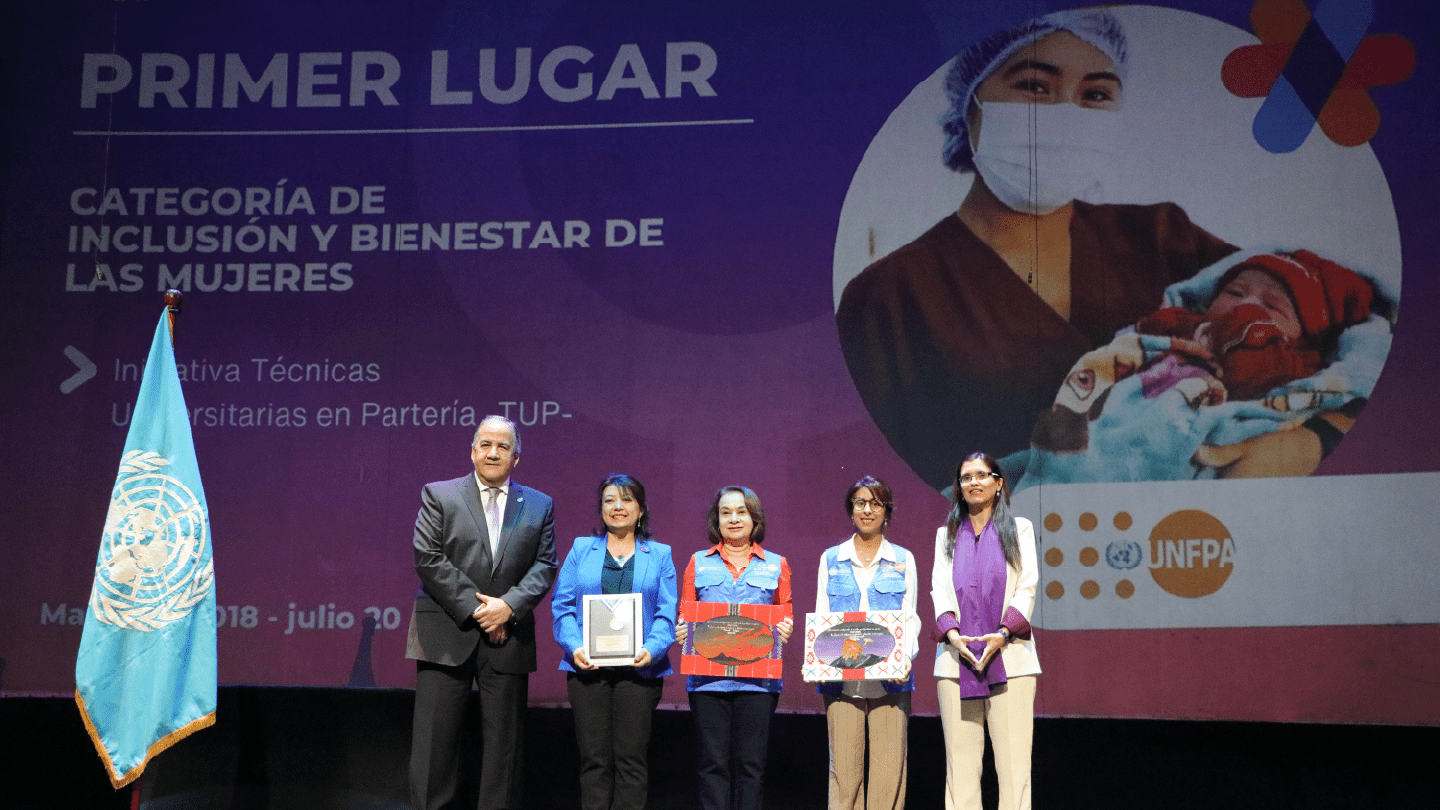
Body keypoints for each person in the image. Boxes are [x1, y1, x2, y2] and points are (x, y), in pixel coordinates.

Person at [836, 9, 1242, 490]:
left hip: (1181, 539)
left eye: (1095, 94)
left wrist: (1299, 441)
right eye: (1034, 86)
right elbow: (876, 476)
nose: (1064, 115)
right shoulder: (890, 299)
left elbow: (1317, 337)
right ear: (971, 105)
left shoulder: (1163, 240)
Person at [1019, 248, 1382, 487]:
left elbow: (1261, 381)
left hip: (1196, 440)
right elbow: (1137, 340)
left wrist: (1247, 331)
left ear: (1305, 335)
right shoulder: (1186, 324)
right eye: (1236, 294)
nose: (1249, 306)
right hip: (1121, 417)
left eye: (1273, 307)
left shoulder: (1301, 361)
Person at [405, 416, 558, 810]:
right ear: (472, 451)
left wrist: (507, 607)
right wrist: (482, 611)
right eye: (485, 444)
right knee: (434, 749)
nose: (493, 452)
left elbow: (545, 565)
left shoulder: (539, 505)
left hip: (510, 636)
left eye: (503, 447)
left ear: (516, 457)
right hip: (445, 633)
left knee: (503, 753)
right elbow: (427, 557)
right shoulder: (440, 494)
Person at [551, 473, 678, 810]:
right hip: (587, 669)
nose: (617, 507)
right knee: (594, 762)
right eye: (609, 500)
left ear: (640, 509)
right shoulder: (581, 549)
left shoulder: (660, 554)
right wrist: (574, 646)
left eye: (626, 500)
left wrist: (652, 649)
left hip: (639, 673)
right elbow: (562, 606)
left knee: (631, 762)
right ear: (601, 509)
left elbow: (667, 613)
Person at [676, 486, 795, 810]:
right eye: (725, 512)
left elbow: (785, 616)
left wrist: (784, 629)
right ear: (717, 519)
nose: (733, 518)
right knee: (712, 764)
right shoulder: (697, 562)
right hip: (707, 681)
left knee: (751, 766)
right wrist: (683, 630)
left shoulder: (776, 564)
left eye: (741, 511)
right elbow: (686, 614)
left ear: (754, 518)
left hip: (758, 683)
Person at [932, 454, 1039, 810]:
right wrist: (952, 635)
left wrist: (1005, 633)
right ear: (959, 488)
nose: (973, 482)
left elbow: (1028, 586)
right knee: (960, 769)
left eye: (982, 475)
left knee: (1013, 769)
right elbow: (939, 590)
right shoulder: (945, 535)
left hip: (1011, 659)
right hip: (955, 660)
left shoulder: (1019, 528)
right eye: (965, 478)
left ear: (998, 483)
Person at [814, 476, 921, 810]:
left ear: (886, 511)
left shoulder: (903, 559)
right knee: (845, 776)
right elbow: (822, 616)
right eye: (860, 502)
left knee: (889, 777)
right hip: (842, 683)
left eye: (876, 503)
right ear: (851, 510)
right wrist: (820, 660)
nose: (868, 509)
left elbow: (910, 617)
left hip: (891, 682)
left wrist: (905, 658)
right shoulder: (831, 559)